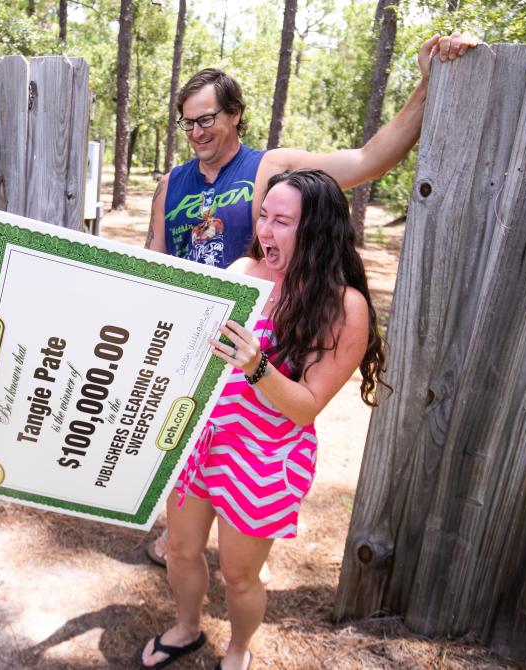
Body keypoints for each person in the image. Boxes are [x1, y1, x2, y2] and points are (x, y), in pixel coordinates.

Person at [143, 30, 478, 567]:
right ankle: (183, 536)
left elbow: (369, 160)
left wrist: (427, 83)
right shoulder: (171, 183)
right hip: (196, 350)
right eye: (188, 121)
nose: (197, 131)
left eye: (207, 118)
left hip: (262, 344)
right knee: (187, 458)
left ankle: (240, 560)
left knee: (245, 473)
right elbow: (155, 260)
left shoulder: (270, 168)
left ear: (234, 115)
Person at [137, 169, 388, 670]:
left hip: (267, 456)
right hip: (205, 438)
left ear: (316, 231)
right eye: (264, 218)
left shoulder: (345, 306)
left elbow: (306, 406)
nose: (266, 232)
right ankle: (188, 628)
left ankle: (237, 649)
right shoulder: (245, 271)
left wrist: (257, 365)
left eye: (283, 222)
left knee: (240, 576)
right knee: (182, 550)